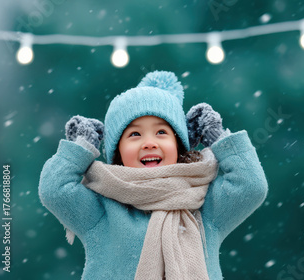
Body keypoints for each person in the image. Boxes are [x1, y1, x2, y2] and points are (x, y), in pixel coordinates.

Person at [38, 70, 268, 280]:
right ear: (117, 151)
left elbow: (251, 186)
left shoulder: (203, 206)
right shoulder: (102, 210)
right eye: (135, 134)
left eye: (161, 132)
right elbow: (54, 190)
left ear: (179, 145)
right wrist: (81, 147)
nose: (149, 143)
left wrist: (217, 138)